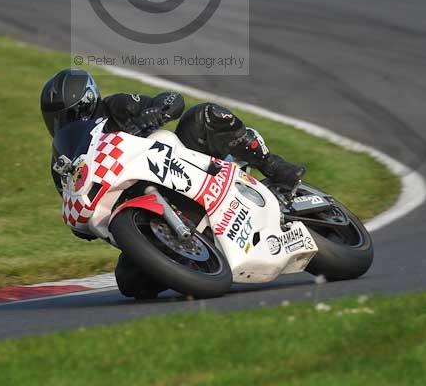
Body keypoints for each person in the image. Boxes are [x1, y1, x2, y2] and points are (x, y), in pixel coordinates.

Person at [40, 68, 306, 300]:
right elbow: (76, 209)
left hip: (175, 162)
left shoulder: (116, 107)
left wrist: (155, 113)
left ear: (87, 101)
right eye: (57, 119)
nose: (63, 122)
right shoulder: (62, 162)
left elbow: (171, 99)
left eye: (67, 114)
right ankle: (186, 257)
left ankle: (272, 164)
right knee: (130, 283)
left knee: (205, 115)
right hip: (133, 209)